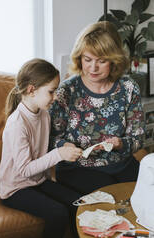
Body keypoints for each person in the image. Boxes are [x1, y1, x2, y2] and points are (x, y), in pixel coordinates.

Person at [50, 21, 145, 195]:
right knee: (111, 195)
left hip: (121, 164)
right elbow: (50, 138)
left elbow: (138, 138)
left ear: (114, 61)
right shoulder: (67, 90)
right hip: (77, 168)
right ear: (79, 58)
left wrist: (121, 143)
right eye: (87, 59)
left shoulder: (128, 88)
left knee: (148, 194)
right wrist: (65, 146)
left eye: (101, 61)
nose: (93, 68)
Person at [0, 58, 83, 238]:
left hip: (38, 181)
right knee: (58, 213)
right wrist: (59, 154)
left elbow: (43, 144)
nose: (55, 97)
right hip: (16, 188)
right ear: (31, 90)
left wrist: (65, 146)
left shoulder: (44, 114)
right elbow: (24, 170)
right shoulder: (16, 124)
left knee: (78, 203)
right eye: (51, 91)